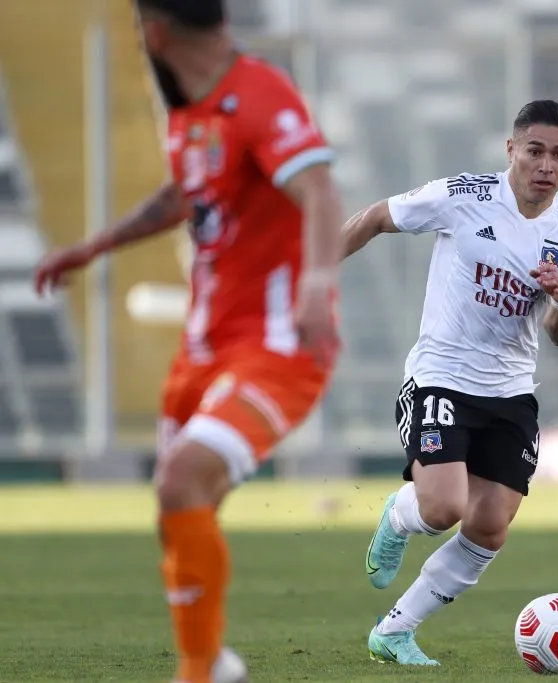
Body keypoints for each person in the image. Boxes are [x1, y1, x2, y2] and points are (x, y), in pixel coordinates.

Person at [33, 1, 342, 681]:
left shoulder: (259, 93)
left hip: (278, 344)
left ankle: (198, 670)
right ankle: (217, 662)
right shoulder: (189, 112)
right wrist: (95, 246)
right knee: (177, 510)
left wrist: (318, 283)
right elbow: (186, 194)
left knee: (181, 478)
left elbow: (320, 190)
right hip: (203, 348)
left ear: (155, 30)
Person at [337, 100, 558, 666]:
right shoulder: (464, 196)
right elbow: (376, 217)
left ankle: (395, 632)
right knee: (444, 506)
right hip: (441, 378)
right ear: (512, 149)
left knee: (490, 526)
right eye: (534, 151)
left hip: (511, 392)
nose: (545, 165)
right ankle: (399, 514)